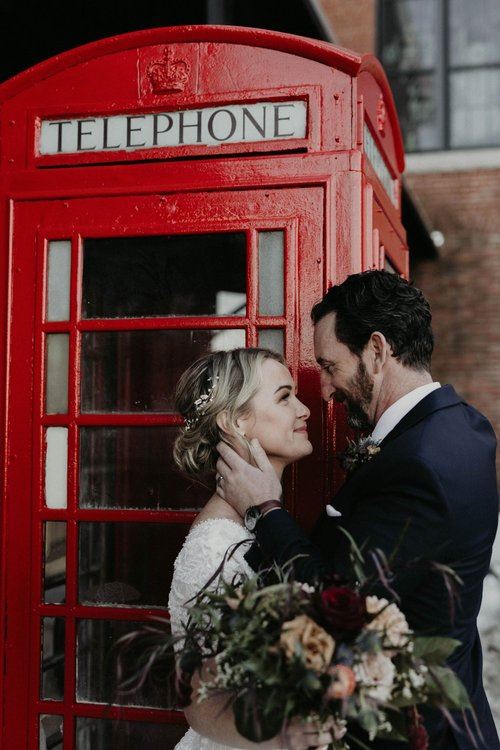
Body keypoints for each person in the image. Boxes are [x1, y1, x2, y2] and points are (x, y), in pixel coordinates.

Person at [215, 270, 500, 750]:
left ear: (377, 350)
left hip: (407, 731)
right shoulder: (465, 426)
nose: (325, 390)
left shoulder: (417, 463)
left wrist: (265, 506)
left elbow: (338, 601)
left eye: (330, 366)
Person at [168, 347, 333, 750]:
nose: (304, 410)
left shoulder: (265, 523)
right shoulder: (214, 546)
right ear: (234, 421)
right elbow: (200, 700)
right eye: (284, 397)